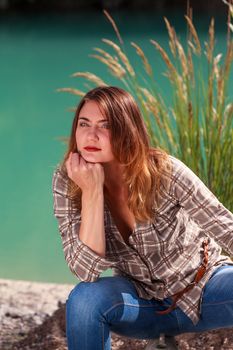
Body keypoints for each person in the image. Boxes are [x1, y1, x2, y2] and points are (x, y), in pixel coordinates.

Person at [52, 86, 233, 350]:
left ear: (128, 130)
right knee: (85, 300)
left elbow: (224, 226)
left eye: (106, 126)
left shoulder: (166, 171)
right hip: (142, 306)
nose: (91, 135)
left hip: (205, 291)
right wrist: (92, 192)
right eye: (84, 124)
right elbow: (85, 271)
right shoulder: (67, 181)